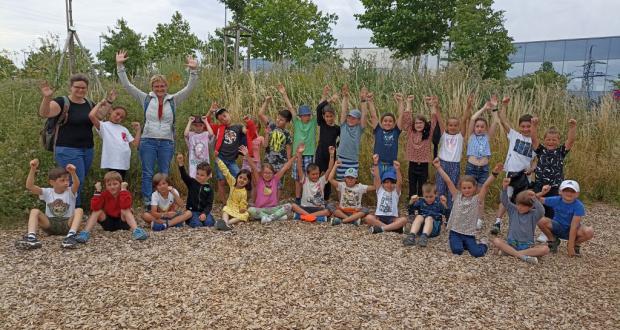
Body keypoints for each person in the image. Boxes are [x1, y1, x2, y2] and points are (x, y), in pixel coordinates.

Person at [115, 50, 199, 204]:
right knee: (147, 173)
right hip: (148, 141)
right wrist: (120, 66)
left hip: (166, 142)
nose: (160, 89)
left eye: (162, 86)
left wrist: (193, 70)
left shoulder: (173, 100)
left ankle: (163, 201)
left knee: (164, 173)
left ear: (166, 86)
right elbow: (128, 86)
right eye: (156, 86)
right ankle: (148, 201)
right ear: (152, 87)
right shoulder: (146, 98)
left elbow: (189, 88)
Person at [38, 75, 95, 207]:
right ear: (71, 87)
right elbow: (44, 113)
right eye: (77, 87)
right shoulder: (62, 102)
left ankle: (68, 209)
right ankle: (73, 211)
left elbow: (99, 117)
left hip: (87, 149)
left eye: (83, 87)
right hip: (67, 148)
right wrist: (47, 97)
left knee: (77, 180)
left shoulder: (89, 103)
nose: (80, 90)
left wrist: (109, 102)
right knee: (76, 181)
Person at [434, 158, 501, 258]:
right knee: (457, 250)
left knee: (477, 253)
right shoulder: (457, 196)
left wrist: (494, 173)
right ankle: (461, 244)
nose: (467, 190)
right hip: (455, 231)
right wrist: (438, 167)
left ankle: (483, 243)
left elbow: (486, 186)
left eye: (469, 188)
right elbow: (448, 181)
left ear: (474, 187)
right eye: (464, 188)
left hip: (469, 234)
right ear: (460, 188)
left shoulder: (477, 199)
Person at [492, 97, 536, 234]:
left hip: (525, 175)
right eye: (523, 126)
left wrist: (532, 168)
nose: (525, 129)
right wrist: (504, 105)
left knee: (523, 200)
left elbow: (536, 160)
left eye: (529, 126)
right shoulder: (515, 135)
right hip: (511, 173)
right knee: (506, 197)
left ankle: (519, 225)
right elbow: (503, 119)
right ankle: (497, 222)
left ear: (533, 127)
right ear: (519, 127)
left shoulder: (536, 141)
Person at [15, 159, 82, 249]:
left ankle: (71, 236)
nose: (66, 183)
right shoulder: (47, 192)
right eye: (62, 180)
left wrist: (73, 173)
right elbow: (29, 186)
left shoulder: (70, 191)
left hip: (67, 224)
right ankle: (31, 238)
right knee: (34, 211)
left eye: (67, 180)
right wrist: (33, 169)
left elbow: (77, 184)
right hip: (50, 224)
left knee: (79, 210)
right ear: (52, 182)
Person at [489, 178, 549, 264]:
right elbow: (504, 201)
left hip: (527, 246)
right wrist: (505, 187)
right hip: (512, 244)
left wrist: (534, 198)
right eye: (518, 204)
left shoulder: (534, 214)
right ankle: (523, 257)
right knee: (496, 240)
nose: (519, 207)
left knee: (545, 249)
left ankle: (510, 253)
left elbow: (541, 211)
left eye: (523, 206)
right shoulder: (513, 210)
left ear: (531, 207)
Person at [76, 171, 148, 242]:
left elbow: (125, 205)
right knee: (97, 211)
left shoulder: (125, 193)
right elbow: (94, 207)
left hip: (122, 221)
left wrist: (123, 190)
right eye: (109, 185)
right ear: (106, 186)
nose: (112, 187)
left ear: (120, 184)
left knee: (125, 209)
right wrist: (98, 192)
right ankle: (85, 233)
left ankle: (137, 231)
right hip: (108, 223)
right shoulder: (104, 194)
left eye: (115, 184)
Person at [276, 83, 317, 204]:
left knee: (308, 177)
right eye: (304, 115)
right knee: (297, 178)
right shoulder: (297, 122)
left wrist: (325, 96)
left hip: (309, 153)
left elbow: (319, 106)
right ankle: (298, 198)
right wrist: (284, 94)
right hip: (297, 154)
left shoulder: (313, 122)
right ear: (300, 116)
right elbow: (291, 108)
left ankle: (307, 197)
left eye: (308, 114)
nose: (307, 117)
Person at [208, 104, 257, 203]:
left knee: (240, 178)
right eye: (221, 119)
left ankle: (240, 200)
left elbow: (250, 133)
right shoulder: (219, 128)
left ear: (229, 114)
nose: (224, 120)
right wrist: (210, 112)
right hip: (220, 159)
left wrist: (248, 122)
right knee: (221, 181)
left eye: (225, 116)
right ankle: (224, 202)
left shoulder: (238, 127)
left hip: (231, 160)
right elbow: (207, 124)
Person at [88, 89, 141, 180]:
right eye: (117, 114)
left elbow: (135, 144)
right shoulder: (104, 126)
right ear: (110, 111)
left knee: (121, 185)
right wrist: (100, 103)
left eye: (121, 117)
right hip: (112, 162)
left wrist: (138, 130)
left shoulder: (124, 129)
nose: (118, 117)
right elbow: (92, 116)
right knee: (112, 184)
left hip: (124, 163)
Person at [537, 180, 594, 257]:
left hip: (571, 229)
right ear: (560, 191)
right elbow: (533, 199)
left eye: (572, 191)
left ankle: (575, 244)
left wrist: (570, 247)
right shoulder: (556, 200)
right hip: (557, 227)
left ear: (577, 194)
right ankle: (553, 241)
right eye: (566, 190)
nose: (569, 193)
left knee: (589, 231)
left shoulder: (579, 206)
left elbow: (574, 227)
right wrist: (542, 193)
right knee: (541, 220)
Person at [246, 147, 297, 224]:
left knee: (289, 205)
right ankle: (276, 217)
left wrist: (296, 155)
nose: (267, 175)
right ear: (262, 173)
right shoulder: (259, 180)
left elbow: (285, 167)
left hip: (273, 208)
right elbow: (253, 166)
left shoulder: (275, 179)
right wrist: (247, 155)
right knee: (250, 210)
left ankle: (269, 218)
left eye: (270, 173)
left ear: (273, 173)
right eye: (265, 173)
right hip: (261, 209)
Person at [434, 95, 468, 208]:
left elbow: (464, 120)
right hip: (442, 164)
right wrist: (436, 106)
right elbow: (439, 118)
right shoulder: (444, 134)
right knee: (440, 187)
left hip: (454, 165)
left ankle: (449, 209)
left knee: (452, 187)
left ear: (458, 127)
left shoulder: (460, 136)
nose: (453, 127)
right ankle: (439, 208)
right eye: (450, 125)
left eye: (455, 125)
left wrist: (468, 106)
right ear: (447, 126)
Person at [402, 95, 437, 197]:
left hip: (424, 165)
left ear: (425, 124)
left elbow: (434, 120)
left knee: (422, 186)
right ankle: (412, 206)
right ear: (414, 125)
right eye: (416, 123)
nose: (418, 125)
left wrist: (431, 105)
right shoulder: (410, 132)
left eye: (421, 123)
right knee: (412, 185)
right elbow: (407, 118)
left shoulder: (428, 134)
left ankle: (421, 204)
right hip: (412, 163)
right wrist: (408, 103)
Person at [290, 144, 335, 222]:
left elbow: (329, 168)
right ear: (308, 174)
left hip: (318, 208)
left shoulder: (321, 181)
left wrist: (331, 154)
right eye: (313, 174)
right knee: (293, 206)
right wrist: (300, 154)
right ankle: (317, 218)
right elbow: (299, 167)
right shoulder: (305, 180)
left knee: (328, 211)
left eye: (317, 174)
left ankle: (303, 217)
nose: (315, 176)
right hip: (305, 207)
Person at [366, 155, 408, 234]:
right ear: (382, 183)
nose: (389, 184)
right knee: (368, 218)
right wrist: (375, 163)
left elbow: (400, 182)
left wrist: (397, 169)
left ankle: (381, 229)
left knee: (404, 220)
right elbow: (377, 177)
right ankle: (393, 228)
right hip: (379, 217)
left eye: (392, 182)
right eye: (387, 182)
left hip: (392, 218)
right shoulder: (380, 190)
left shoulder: (396, 191)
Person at [464, 95, 500, 186]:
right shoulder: (471, 136)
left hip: (484, 169)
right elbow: (472, 118)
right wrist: (484, 108)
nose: (479, 129)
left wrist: (494, 107)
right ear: (474, 128)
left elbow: (495, 121)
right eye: (477, 126)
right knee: (470, 192)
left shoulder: (487, 137)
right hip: (471, 167)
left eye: (482, 127)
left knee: (481, 193)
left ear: (486, 128)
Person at [257, 95, 293, 185]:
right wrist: (266, 101)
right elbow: (260, 114)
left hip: (281, 162)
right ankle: (265, 199)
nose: (278, 120)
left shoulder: (287, 133)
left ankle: (276, 199)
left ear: (287, 122)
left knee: (278, 184)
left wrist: (288, 163)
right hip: (268, 160)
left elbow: (288, 148)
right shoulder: (271, 125)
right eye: (278, 118)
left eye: (281, 120)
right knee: (265, 182)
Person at [368, 91, 404, 177]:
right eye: (385, 121)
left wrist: (400, 101)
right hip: (378, 164)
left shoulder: (396, 131)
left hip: (391, 165)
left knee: (390, 187)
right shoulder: (378, 130)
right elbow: (373, 115)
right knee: (378, 186)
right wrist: (370, 101)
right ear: (381, 122)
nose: (387, 123)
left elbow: (401, 115)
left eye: (390, 121)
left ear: (394, 123)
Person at [214, 151, 253, 230]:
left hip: (237, 210)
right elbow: (226, 172)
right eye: (240, 177)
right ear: (237, 177)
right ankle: (225, 222)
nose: (242, 180)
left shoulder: (244, 192)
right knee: (225, 210)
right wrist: (219, 161)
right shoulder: (232, 182)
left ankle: (227, 223)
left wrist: (242, 208)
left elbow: (243, 202)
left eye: (245, 179)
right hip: (230, 207)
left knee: (245, 215)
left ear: (248, 182)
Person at [336, 85, 367, 180]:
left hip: (353, 160)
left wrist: (363, 100)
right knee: (340, 182)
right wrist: (345, 97)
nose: (350, 119)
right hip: (341, 158)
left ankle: (351, 196)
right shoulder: (343, 125)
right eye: (349, 117)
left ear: (358, 120)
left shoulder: (359, 128)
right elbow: (343, 111)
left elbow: (364, 114)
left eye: (353, 118)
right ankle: (340, 196)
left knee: (351, 182)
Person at [315, 85, 340, 200]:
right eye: (327, 116)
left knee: (329, 175)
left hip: (331, 154)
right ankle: (315, 194)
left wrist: (337, 148)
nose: (329, 118)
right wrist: (328, 98)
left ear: (334, 116)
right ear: (324, 117)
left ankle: (326, 198)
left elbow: (341, 140)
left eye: (331, 116)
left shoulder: (337, 128)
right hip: (320, 152)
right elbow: (319, 108)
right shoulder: (322, 124)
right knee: (317, 173)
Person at [177, 154, 215, 228]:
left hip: (203, 212)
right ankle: (189, 220)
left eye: (202, 175)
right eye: (197, 174)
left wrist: (204, 213)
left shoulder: (209, 188)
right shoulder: (192, 183)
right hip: (192, 212)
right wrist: (181, 164)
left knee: (209, 223)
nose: (198, 176)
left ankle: (208, 218)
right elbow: (184, 176)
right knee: (198, 225)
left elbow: (209, 204)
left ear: (208, 176)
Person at [183, 112, 214, 179]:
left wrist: (206, 122)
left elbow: (211, 134)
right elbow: (185, 134)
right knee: (194, 180)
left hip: (204, 163)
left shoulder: (205, 134)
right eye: (196, 125)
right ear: (192, 126)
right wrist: (190, 122)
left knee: (204, 179)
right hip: (193, 164)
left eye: (200, 125)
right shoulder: (191, 135)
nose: (198, 127)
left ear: (203, 126)